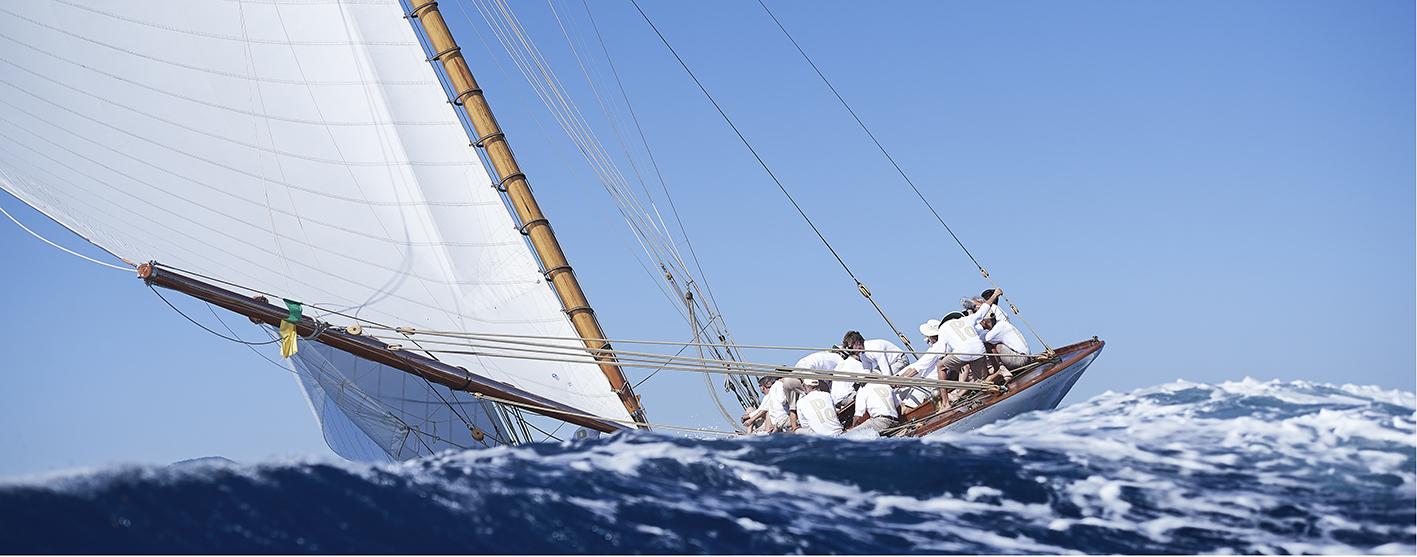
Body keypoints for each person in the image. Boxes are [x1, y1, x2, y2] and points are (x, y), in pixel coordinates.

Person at [980, 309, 1030, 382]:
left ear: (984, 322)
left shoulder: (999, 327)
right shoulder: (1002, 324)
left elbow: (984, 339)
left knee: (994, 346)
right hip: (1026, 358)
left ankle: (999, 370)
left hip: (1020, 360)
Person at [841, 331, 908, 376]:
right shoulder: (862, 355)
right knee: (873, 376)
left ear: (857, 342)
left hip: (899, 360)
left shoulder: (874, 347)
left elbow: (884, 366)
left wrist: (888, 381)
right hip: (889, 363)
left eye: (851, 347)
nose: (851, 351)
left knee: (879, 377)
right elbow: (867, 370)